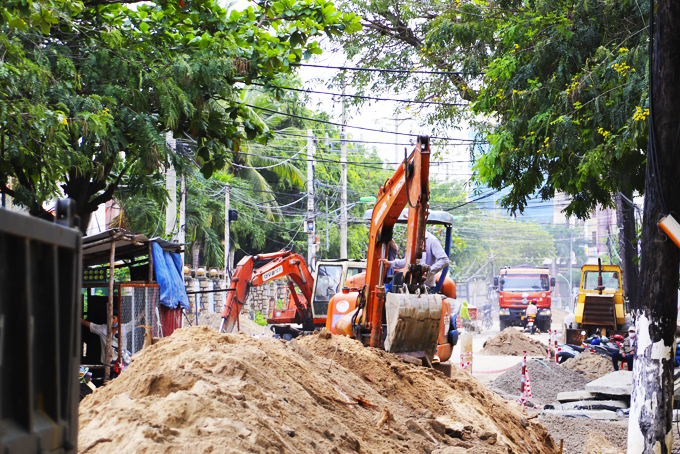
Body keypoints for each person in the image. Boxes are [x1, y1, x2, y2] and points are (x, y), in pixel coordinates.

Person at [379, 231, 450, 287]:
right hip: (408, 285)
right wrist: (390, 263)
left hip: (426, 286)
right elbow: (406, 262)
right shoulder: (412, 240)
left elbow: (444, 260)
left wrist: (427, 272)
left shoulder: (432, 240)